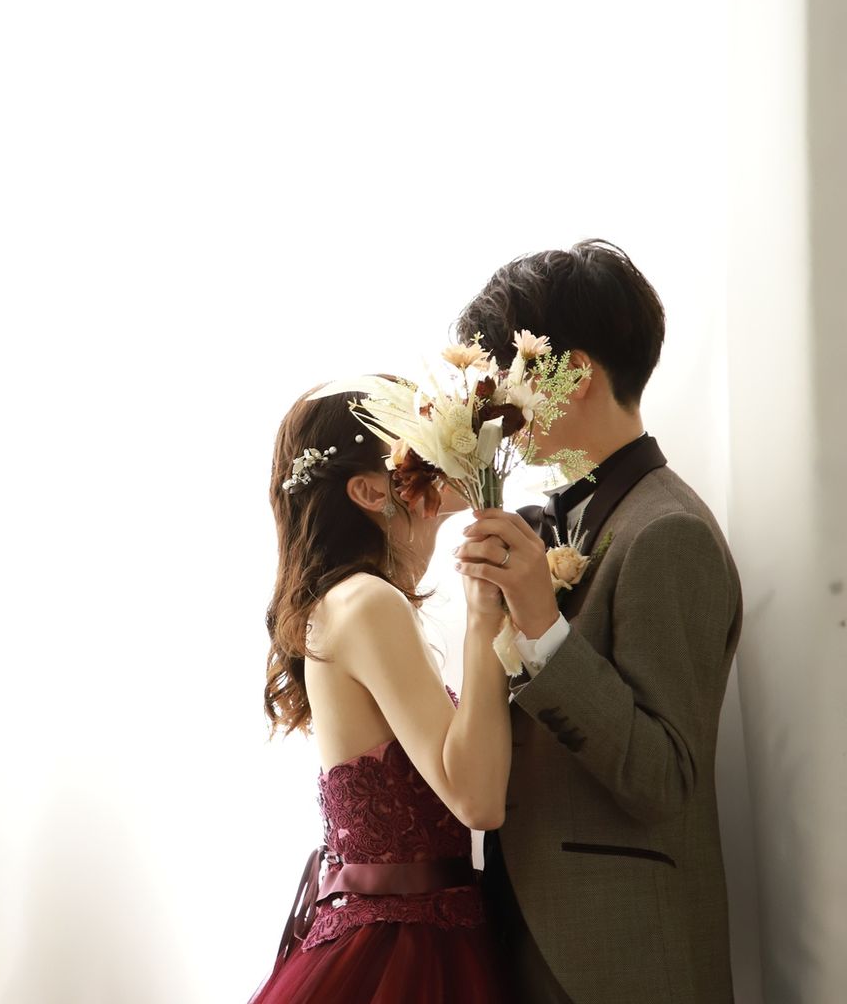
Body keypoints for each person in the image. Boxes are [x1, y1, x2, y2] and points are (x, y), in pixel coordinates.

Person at [453, 240, 741, 1004]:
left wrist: (543, 625)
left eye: (507, 372)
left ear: (574, 372)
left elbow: (664, 778)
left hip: (622, 959)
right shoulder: (552, 522)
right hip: (522, 939)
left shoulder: (667, 530)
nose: (492, 403)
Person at [250, 386, 512, 1003]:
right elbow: (477, 801)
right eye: (419, 443)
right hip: (405, 951)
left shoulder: (341, 601)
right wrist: (484, 616)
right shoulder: (368, 601)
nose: (445, 442)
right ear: (371, 491)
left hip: (399, 932)